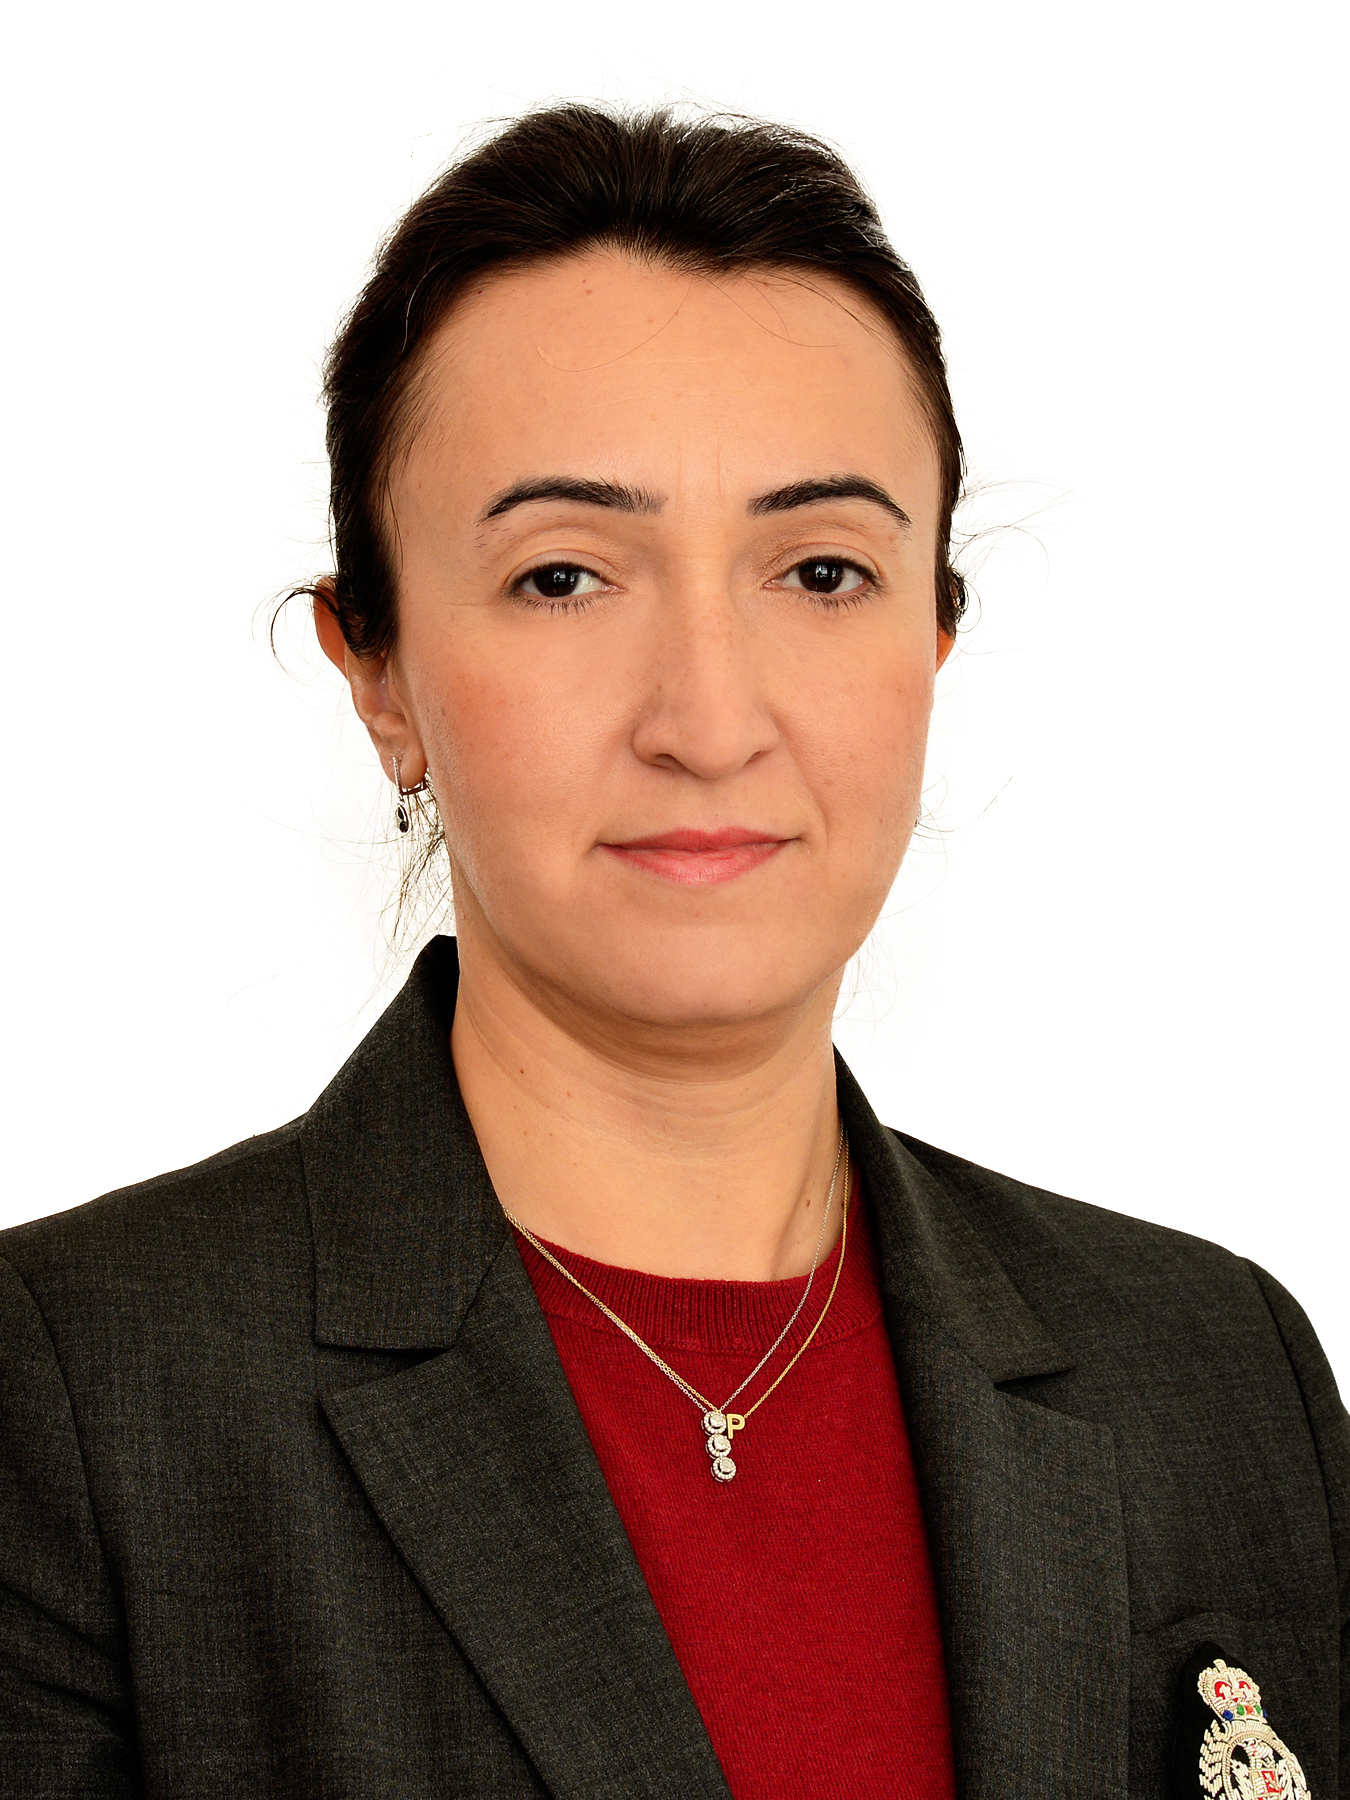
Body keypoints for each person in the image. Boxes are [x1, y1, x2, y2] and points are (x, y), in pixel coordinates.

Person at [0, 104, 1344, 1800]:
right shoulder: (70, 1397)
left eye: (823, 570)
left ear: (933, 641)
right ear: (379, 673)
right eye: (564, 577)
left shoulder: (1216, 1370)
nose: (708, 722)